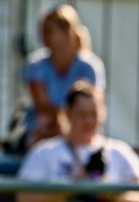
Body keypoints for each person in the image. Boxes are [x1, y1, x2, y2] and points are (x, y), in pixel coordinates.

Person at [23, 5, 106, 148]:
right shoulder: (35, 65)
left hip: (80, 132)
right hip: (43, 132)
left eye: (48, 31)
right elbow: (42, 108)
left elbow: (92, 106)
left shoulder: (90, 67)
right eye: (42, 31)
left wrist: (70, 125)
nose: (42, 37)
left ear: (68, 33)